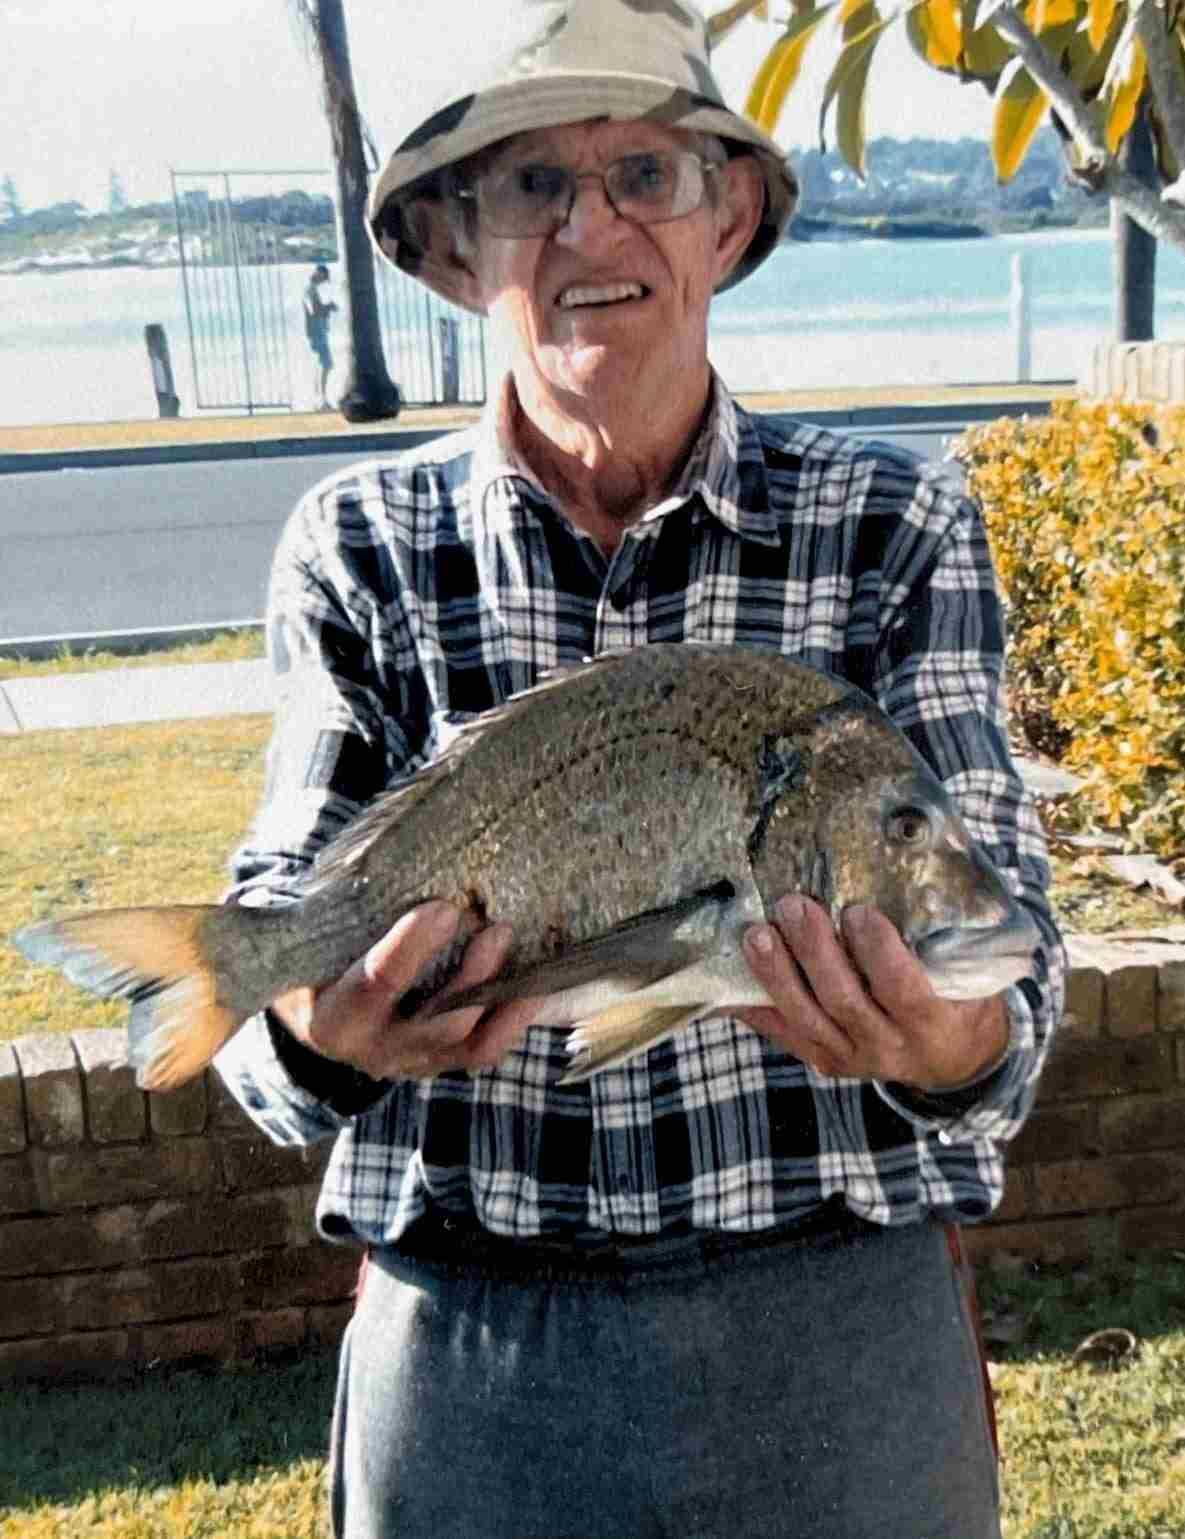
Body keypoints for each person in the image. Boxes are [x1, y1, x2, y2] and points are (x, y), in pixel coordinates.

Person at [216, 3, 1064, 1535]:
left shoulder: (895, 522)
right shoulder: (360, 549)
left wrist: (940, 1036)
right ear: (457, 244)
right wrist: (324, 1022)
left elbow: (1007, 1003)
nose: (589, 224)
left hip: (836, 1335)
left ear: (727, 214)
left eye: (645, 174)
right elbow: (277, 977)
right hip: (475, 1352)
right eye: (531, 185)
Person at [303, 262, 337, 409]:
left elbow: (316, 310)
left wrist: (327, 309)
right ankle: (321, 398)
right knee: (326, 364)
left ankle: (319, 397)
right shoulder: (309, 290)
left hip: (318, 331)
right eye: (324, 278)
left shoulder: (312, 290)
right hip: (316, 332)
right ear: (319, 274)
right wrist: (328, 307)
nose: (324, 281)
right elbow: (314, 311)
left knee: (323, 364)